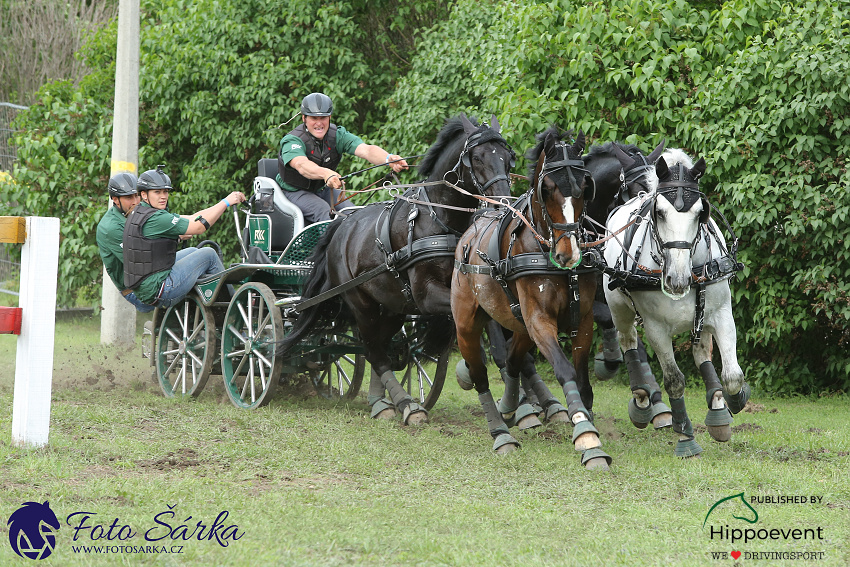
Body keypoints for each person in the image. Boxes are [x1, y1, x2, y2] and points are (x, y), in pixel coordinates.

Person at [122, 165, 246, 309]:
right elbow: (199, 227)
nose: (163, 196)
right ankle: (233, 308)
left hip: (146, 287)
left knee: (194, 250)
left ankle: (207, 302)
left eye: (165, 191)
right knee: (209, 254)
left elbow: (194, 218)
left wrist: (223, 203)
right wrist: (226, 202)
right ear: (144, 195)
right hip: (160, 289)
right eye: (157, 192)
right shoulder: (156, 218)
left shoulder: (140, 212)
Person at [276, 92, 409, 223]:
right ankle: (327, 245)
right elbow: (301, 164)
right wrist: (325, 173)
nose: (319, 123)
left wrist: (388, 158)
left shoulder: (337, 135)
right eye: (314, 118)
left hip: (322, 190)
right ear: (304, 118)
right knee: (324, 212)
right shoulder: (293, 140)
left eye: (323, 118)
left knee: (354, 214)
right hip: (294, 192)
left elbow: (366, 150)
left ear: (330, 117)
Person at [96, 172, 155, 313]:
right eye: (129, 197)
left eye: (137, 195)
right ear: (115, 200)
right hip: (136, 290)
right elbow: (141, 261)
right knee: (206, 255)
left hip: (151, 277)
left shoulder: (136, 213)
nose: (135, 201)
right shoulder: (111, 227)